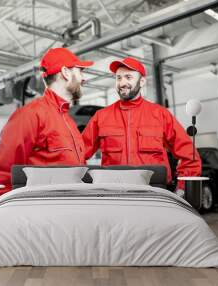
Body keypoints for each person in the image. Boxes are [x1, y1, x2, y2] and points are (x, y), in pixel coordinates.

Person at [82, 57, 201, 197]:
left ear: (142, 81)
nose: (122, 83)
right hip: (113, 193)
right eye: (118, 78)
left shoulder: (160, 114)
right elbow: (77, 154)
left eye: (128, 77)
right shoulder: (101, 117)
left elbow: (190, 156)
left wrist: (181, 189)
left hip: (154, 192)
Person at [0, 48, 93, 200]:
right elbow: (1, 178)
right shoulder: (29, 116)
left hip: (71, 210)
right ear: (66, 73)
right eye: (80, 71)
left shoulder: (69, 122)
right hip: (43, 213)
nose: (83, 78)